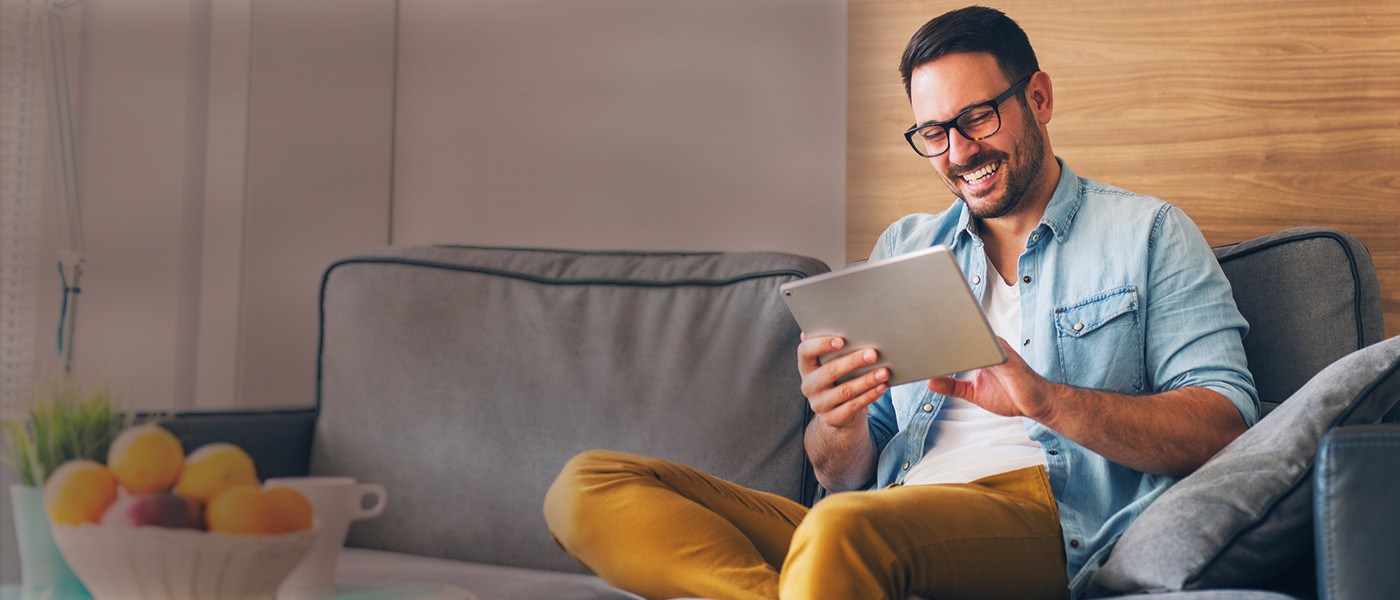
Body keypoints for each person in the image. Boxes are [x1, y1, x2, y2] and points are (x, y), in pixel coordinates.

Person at [543, 6, 1258, 600]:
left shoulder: (1148, 233)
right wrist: (838, 419)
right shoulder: (910, 247)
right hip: (878, 517)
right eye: (934, 133)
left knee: (840, 532)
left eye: (977, 118)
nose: (957, 153)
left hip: (1043, 521)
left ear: (1037, 98)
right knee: (588, 486)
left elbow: (1226, 427)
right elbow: (840, 474)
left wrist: (1045, 401)